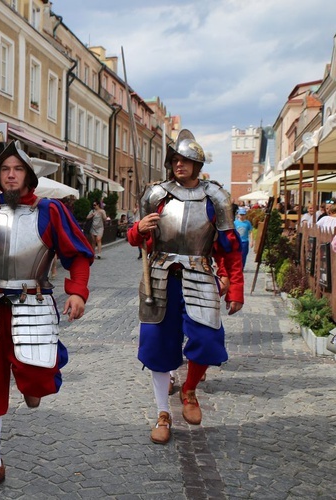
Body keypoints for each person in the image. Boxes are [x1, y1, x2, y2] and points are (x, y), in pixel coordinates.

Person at [0, 140, 94, 498]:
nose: (11, 175)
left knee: (39, 376)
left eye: (17, 169)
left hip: (33, 303)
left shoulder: (49, 211)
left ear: (28, 176)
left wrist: (77, 291)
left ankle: (31, 383)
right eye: (5, 169)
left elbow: (79, 253)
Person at [127, 129, 243, 446]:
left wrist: (235, 287)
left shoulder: (215, 197)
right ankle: (163, 413)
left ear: (197, 163)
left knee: (207, 340)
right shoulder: (156, 195)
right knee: (157, 347)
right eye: (175, 159)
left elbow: (230, 247)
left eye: (186, 160)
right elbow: (137, 240)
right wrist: (139, 229)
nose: (180, 164)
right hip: (161, 276)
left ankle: (189, 388)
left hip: (201, 273)